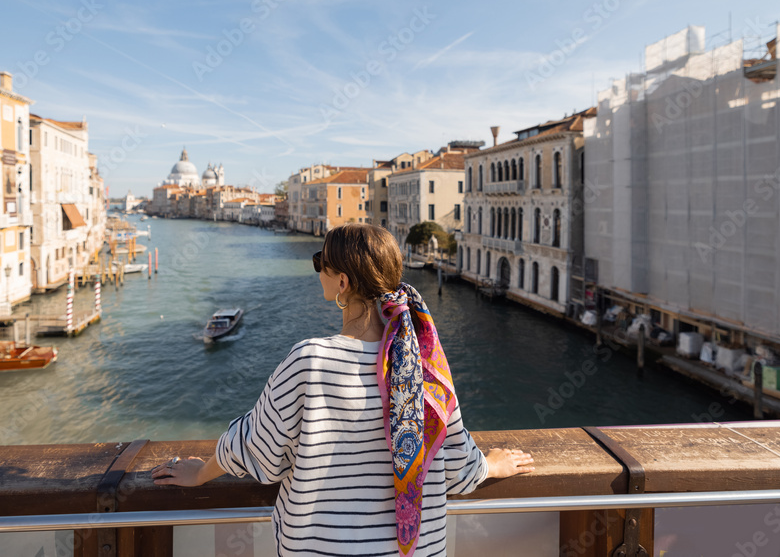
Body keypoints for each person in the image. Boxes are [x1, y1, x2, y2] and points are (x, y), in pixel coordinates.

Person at [152, 223, 534, 556]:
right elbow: (456, 463)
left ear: (343, 282)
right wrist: (491, 465)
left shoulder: (309, 360)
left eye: (321, 263)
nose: (317, 270)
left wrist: (201, 473)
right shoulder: (425, 365)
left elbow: (259, 451)